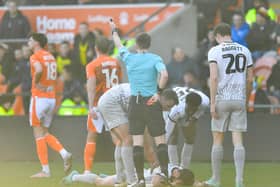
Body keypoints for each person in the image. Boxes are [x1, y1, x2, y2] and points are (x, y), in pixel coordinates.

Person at [109, 19, 169, 187]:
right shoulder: (155, 58)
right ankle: (164, 174)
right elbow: (164, 75)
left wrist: (114, 30)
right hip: (151, 101)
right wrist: (159, 92)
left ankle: (140, 180)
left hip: (135, 103)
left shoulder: (129, 57)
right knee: (160, 141)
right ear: (149, 44)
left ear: (136, 45)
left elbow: (118, 44)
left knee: (137, 142)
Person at [97, 83, 179, 185]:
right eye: (168, 106)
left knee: (122, 141)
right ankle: (131, 180)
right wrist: (153, 159)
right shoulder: (151, 101)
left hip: (110, 101)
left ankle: (120, 178)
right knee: (128, 140)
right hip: (112, 102)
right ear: (162, 98)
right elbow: (145, 136)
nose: (168, 110)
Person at [203, 23, 253, 187]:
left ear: (217, 36)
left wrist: (212, 103)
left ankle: (216, 179)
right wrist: (245, 99)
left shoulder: (215, 51)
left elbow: (214, 78)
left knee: (217, 139)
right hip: (239, 97)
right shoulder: (245, 50)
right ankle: (239, 180)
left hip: (222, 98)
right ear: (229, 34)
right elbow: (250, 79)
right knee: (238, 139)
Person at [28, 33, 72, 178]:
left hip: (39, 98)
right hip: (51, 98)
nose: (28, 42)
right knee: (45, 132)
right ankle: (64, 153)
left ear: (36, 43)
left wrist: (36, 83)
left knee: (38, 133)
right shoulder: (51, 56)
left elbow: (39, 70)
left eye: (30, 40)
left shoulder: (35, 56)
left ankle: (46, 171)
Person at [83, 35, 122, 174]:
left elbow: (91, 87)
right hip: (115, 102)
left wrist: (90, 107)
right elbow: (120, 83)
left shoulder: (92, 65)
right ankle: (122, 170)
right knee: (118, 137)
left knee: (92, 136)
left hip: (99, 103)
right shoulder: (116, 63)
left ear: (96, 48)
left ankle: (87, 171)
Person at [166, 87, 209, 170]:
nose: (190, 111)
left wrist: (193, 118)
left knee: (190, 137)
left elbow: (196, 114)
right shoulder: (176, 109)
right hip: (171, 101)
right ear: (186, 104)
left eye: (193, 109)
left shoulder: (205, 102)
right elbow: (167, 132)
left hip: (189, 98)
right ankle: (174, 167)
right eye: (189, 109)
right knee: (173, 136)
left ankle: (184, 168)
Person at [62, 164, 195, 187]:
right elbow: (155, 182)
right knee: (100, 183)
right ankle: (74, 176)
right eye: (179, 182)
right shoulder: (165, 173)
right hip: (133, 178)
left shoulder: (177, 174)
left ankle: (110, 176)